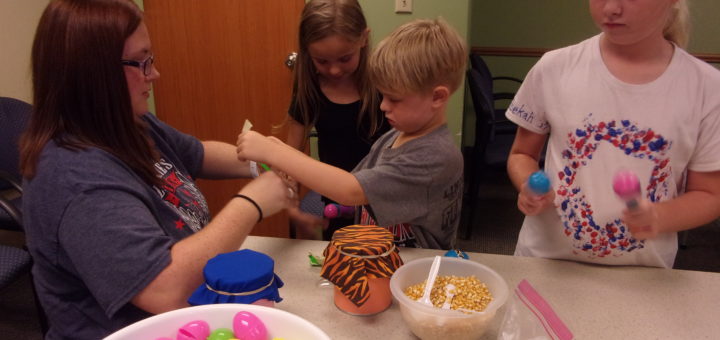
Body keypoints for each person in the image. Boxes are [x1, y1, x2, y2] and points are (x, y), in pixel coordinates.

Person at [19, 0, 291, 338]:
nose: (154, 74)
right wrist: (251, 203)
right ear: (96, 74)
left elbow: (197, 154)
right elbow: (165, 289)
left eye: (152, 60)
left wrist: (259, 161)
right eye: (142, 63)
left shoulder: (128, 122)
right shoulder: (76, 182)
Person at [506, 0, 720, 268]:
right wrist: (529, 185)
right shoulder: (553, 68)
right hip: (545, 262)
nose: (611, 8)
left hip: (642, 276)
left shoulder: (707, 88)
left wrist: (659, 216)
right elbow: (522, 153)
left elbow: (710, 194)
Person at [238, 18, 466, 250]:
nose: (383, 106)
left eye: (394, 99)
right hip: (382, 259)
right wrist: (280, 148)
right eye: (383, 96)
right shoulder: (397, 135)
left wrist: (273, 152)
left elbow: (351, 189)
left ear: (437, 97)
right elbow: (362, 184)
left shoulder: (435, 157)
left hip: (414, 274)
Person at [284, 0, 388, 240]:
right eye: (322, 61)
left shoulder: (385, 80)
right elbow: (290, 158)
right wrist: (292, 210)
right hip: (338, 206)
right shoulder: (310, 88)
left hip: (385, 204)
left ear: (363, 38)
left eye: (344, 58)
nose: (334, 70)